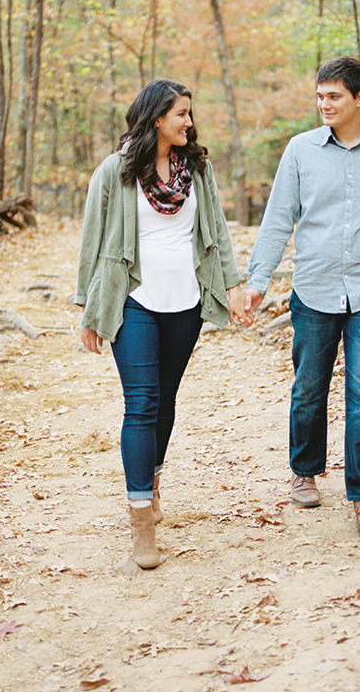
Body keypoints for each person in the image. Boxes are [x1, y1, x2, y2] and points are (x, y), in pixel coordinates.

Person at [245, 56, 360, 539]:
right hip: (314, 288)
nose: (324, 104)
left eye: (334, 96)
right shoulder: (301, 150)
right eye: (320, 96)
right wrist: (258, 282)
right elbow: (278, 219)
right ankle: (304, 471)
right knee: (309, 390)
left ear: (359, 98)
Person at [76, 79, 250, 569]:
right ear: (156, 118)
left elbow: (215, 229)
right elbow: (92, 238)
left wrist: (232, 284)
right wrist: (88, 305)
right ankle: (141, 522)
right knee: (142, 402)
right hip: (132, 299)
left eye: (189, 114)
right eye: (181, 114)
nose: (189, 122)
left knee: (165, 400)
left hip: (186, 301)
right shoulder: (116, 171)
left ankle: (151, 480)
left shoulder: (196, 169)